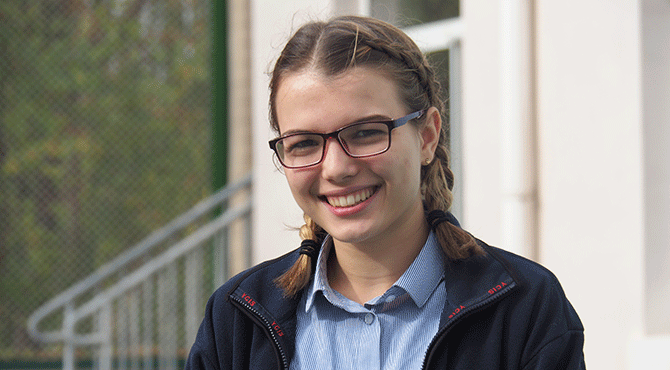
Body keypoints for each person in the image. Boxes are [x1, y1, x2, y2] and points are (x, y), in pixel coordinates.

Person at [185, 15, 585, 370]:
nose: (337, 168)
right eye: (305, 143)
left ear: (427, 136)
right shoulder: (236, 321)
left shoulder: (525, 309)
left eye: (365, 133)